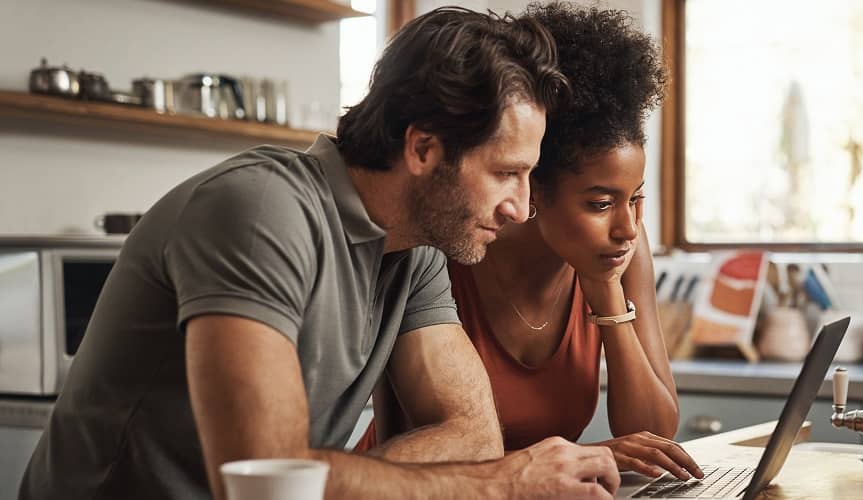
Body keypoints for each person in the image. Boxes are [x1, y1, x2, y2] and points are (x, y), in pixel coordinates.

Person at [19, 7, 622, 500]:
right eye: (505, 174)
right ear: (423, 149)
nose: (521, 207)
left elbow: (471, 434)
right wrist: (501, 486)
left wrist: (326, 478)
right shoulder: (260, 211)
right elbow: (265, 476)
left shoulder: (418, 252)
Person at [355, 2, 703, 482]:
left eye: (636, 199)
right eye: (600, 204)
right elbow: (421, 442)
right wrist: (588, 457)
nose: (627, 227)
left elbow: (655, 435)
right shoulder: (451, 244)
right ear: (534, 186)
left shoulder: (618, 252)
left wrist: (604, 293)